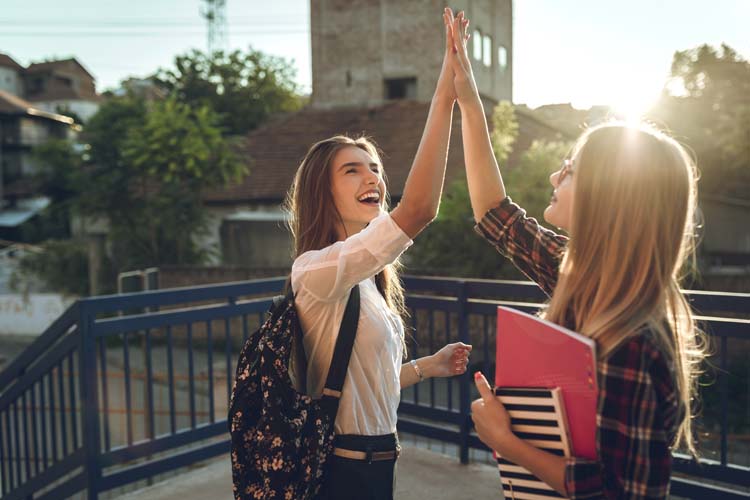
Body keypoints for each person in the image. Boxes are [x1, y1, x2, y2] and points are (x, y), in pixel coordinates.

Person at [442, 10, 706, 499]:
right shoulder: (580, 271)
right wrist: (469, 102)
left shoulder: (638, 342)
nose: (553, 178)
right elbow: (496, 216)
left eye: (569, 170)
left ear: (610, 195)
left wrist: (506, 442)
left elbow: (619, 494)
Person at [284, 9, 472, 500]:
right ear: (322, 192)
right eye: (352, 170)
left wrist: (426, 366)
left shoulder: (369, 279)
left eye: (373, 167)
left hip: (379, 463)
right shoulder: (316, 272)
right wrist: (446, 97)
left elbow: (368, 387)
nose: (372, 177)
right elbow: (420, 208)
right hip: (339, 472)